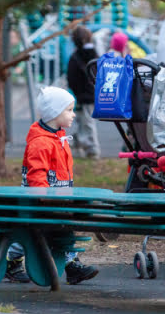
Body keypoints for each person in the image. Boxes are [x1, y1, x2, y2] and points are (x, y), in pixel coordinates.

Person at [6, 87, 99, 285]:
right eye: (69, 110)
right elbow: (36, 173)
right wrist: (43, 196)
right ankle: (11, 261)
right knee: (33, 235)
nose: (73, 114)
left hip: (58, 200)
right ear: (55, 113)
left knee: (63, 230)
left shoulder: (59, 138)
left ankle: (72, 265)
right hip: (41, 202)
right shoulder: (41, 143)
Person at [67, 26, 100, 159]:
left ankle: (92, 149)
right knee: (84, 121)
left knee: (85, 121)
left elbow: (71, 77)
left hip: (81, 95)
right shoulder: (94, 55)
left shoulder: (75, 57)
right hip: (91, 93)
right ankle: (79, 142)